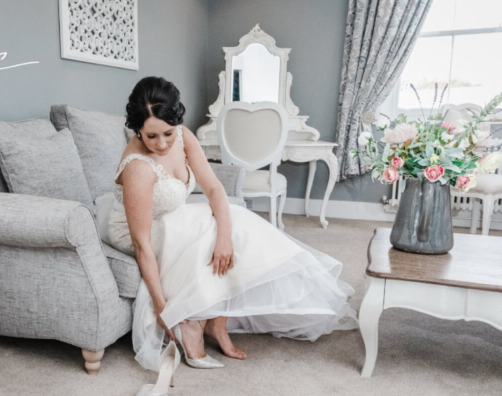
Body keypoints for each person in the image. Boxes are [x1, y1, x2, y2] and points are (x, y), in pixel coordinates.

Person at [107, 76, 358, 380]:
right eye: (151, 136)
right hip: (137, 231)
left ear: (177, 123)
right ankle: (194, 324)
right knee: (201, 228)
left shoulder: (184, 137)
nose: (161, 144)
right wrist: (164, 310)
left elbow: (214, 189)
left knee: (230, 222)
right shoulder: (137, 167)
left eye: (168, 133)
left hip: (171, 216)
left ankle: (217, 321)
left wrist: (225, 237)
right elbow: (141, 244)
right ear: (137, 130)